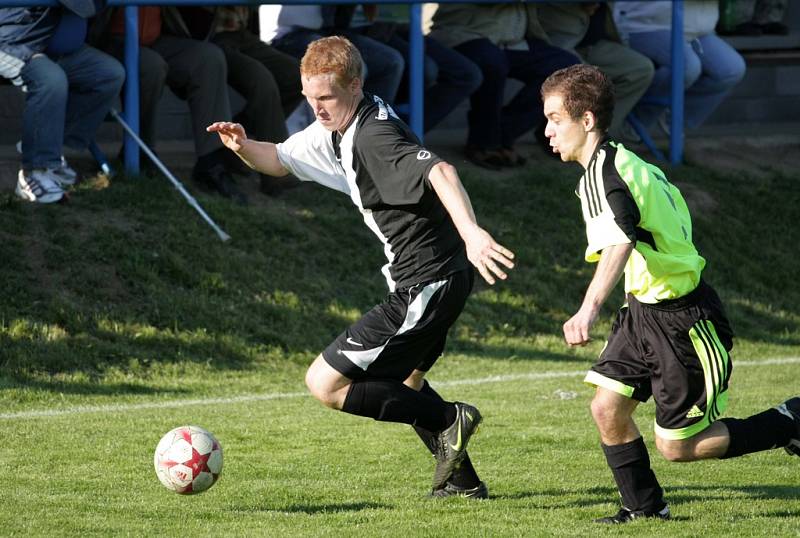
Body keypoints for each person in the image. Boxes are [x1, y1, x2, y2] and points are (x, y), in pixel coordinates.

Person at [208, 36, 515, 498]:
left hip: (427, 280)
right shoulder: (338, 125)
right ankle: (463, 483)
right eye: (310, 98)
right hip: (434, 276)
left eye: (326, 97)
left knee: (326, 384)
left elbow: (442, 172)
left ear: (355, 84)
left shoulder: (373, 135)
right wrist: (242, 146)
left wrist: (473, 233)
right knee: (408, 379)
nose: (317, 108)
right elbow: (280, 160)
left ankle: (450, 419)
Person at [540, 63, 800, 523]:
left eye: (556, 119)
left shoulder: (607, 173)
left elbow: (620, 239)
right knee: (606, 407)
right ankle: (643, 507)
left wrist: (587, 309)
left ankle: (791, 420)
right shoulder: (620, 161)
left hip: (683, 323)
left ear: (586, 120)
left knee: (678, 447)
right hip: (643, 313)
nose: (547, 131)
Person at [91, 7, 247, 204]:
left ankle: (212, 163)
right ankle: (141, 152)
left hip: (156, 38)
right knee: (150, 66)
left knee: (208, 58)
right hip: (106, 40)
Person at [427, 3, 580, 170]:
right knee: (492, 62)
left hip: (513, 42)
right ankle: (483, 143)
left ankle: (502, 134)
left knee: (565, 68)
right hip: (463, 34)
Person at [0, 0, 125, 203]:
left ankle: (49, 149)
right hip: (12, 43)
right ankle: (34, 172)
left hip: (53, 47)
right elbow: (85, 6)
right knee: (51, 79)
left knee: (109, 74)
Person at [612, 0, 746, 134]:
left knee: (732, 69)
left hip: (696, 29)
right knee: (687, 67)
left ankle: (674, 118)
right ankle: (633, 123)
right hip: (644, 25)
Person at [536, 2, 654, 142]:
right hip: (558, 37)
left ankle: (602, 135)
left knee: (640, 69)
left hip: (595, 41)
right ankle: (564, 135)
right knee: (579, 77)